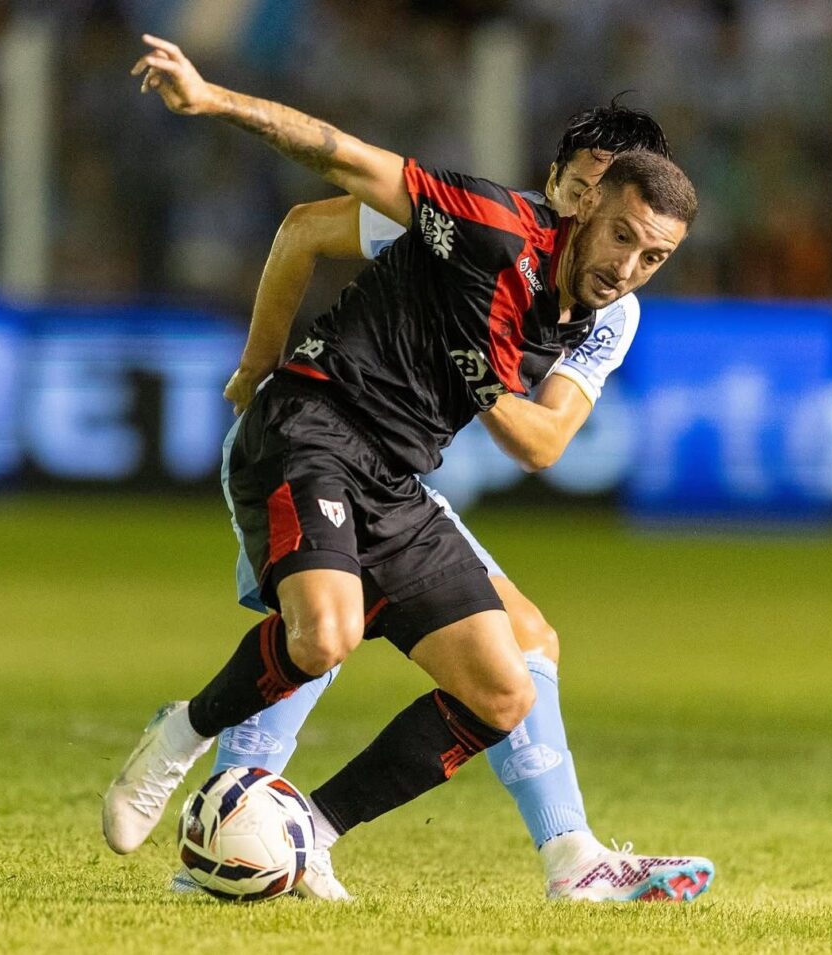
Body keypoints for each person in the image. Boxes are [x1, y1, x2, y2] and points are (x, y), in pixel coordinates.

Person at [105, 34, 708, 903]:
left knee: (508, 674)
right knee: (323, 631)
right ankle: (199, 775)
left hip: (396, 475)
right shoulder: (473, 223)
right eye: (596, 197)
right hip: (312, 426)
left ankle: (301, 834)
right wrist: (254, 365)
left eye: (651, 253)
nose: (626, 261)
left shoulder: (609, 310)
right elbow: (324, 192)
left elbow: (541, 442)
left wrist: (481, 377)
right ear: (576, 188)